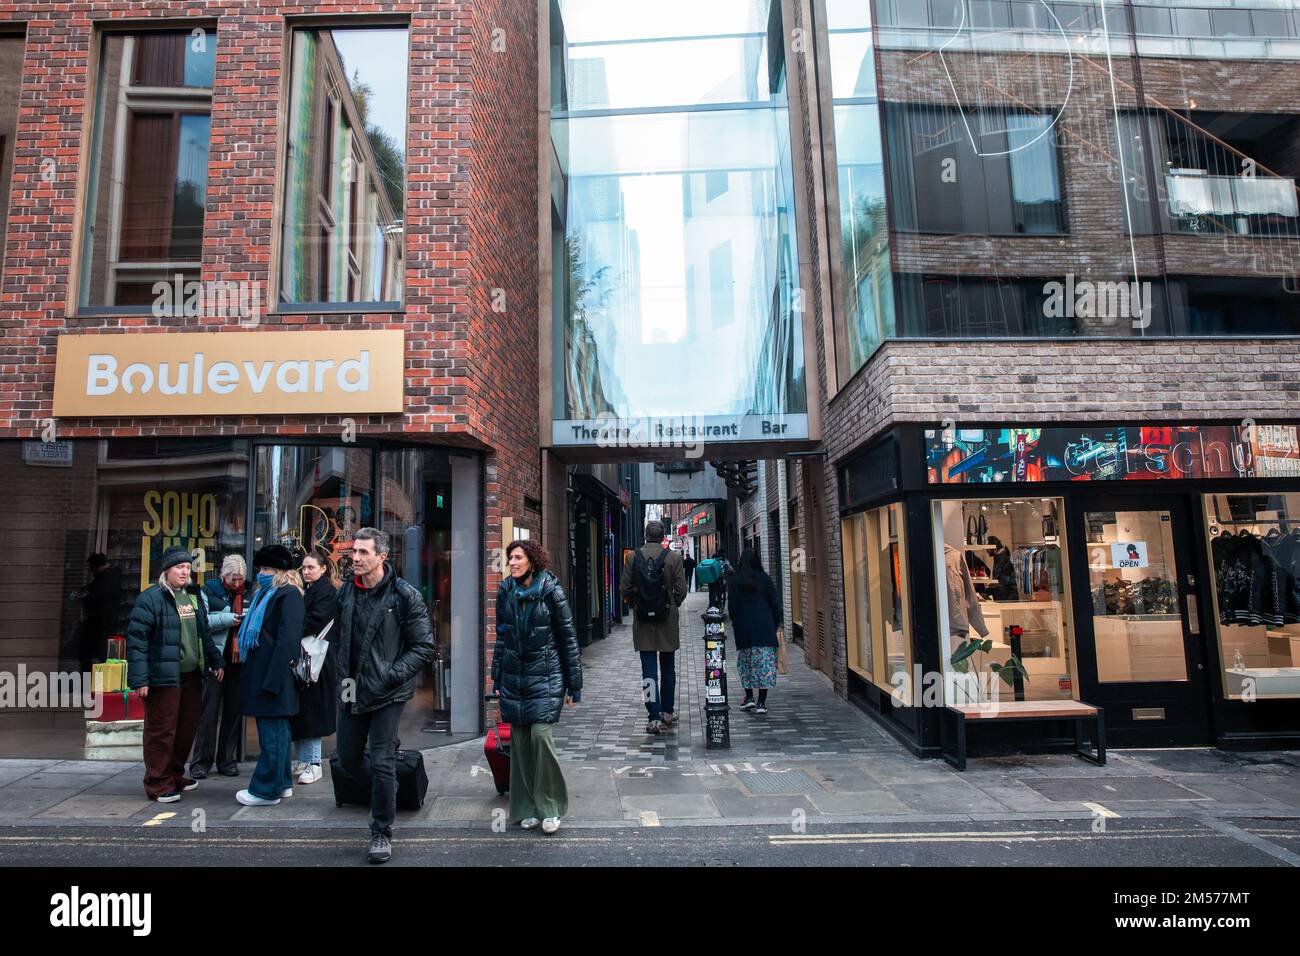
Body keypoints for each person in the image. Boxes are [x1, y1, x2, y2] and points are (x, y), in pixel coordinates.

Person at [336, 528, 437, 864]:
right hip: (352, 687)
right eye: (354, 552)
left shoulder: (403, 595)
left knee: (381, 760)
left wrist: (392, 676)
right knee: (348, 758)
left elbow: (424, 647)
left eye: (364, 552)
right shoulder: (348, 590)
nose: (356, 558)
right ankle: (387, 789)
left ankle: (381, 831)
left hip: (388, 690)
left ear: (382, 557)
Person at [492, 539, 582, 835]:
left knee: (540, 737)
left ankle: (551, 807)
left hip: (546, 675)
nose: (512, 563)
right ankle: (527, 807)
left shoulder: (551, 592)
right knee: (520, 743)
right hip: (514, 677)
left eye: (518, 557)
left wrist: (574, 684)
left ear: (532, 560)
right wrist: (496, 677)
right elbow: (502, 638)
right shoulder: (505, 591)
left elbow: (568, 638)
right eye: (510, 559)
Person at [126, 547, 224, 803]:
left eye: (188, 567)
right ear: (166, 570)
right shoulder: (151, 599)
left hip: (192, 676)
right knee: (162, 731)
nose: (185, 571)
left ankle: (175, 774)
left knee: (186, 729)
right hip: (163, 678)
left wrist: (216, 661)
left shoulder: (193, 596)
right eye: (179, 567)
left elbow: (203, 633)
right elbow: (137, 642)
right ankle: (158, 783)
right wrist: (140, 679)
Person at [235, 545, 306, 808]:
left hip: (273, 676)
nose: (261, 573)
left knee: (272, 735)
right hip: (268, 675)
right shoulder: (272, 594)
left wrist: (273, 680)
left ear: (278, 571)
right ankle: (282, 783)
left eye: (266, 569)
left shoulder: (287, 595)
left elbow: (287, 640)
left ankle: (266, 790)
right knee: (278, 733)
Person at [620, 520, 687, 735]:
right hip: (667, 621)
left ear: (645, 535)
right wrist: (671, 605)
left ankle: (653, 716)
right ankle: (667, 711)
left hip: (643, 622)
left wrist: (637, 605)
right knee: (668, 668)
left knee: (648, 672)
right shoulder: (674, 558)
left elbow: (625, 588)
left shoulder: (632, 557)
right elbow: (681, 590)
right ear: (663, 536)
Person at [190, 555, 249, 779]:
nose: (237, 584)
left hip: (239, 661)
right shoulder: (207, 591)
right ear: (223, 576)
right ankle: (201, 762)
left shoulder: (249, 592)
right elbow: (202, 623)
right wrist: (228, 619)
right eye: (233, 579)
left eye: (240, 579)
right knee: (209, 713)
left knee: (233, 713)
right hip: (216, 659)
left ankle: (227, 760)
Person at [291, 547, 341, 785]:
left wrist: (291, 629)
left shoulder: (326, 592)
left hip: (317, 659)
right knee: (305, 709)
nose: (306, 571)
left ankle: (313, 762)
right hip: (314, 657)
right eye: (304, 567)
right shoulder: (311, 590)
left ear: (323, 568)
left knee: (312, 710)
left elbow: (313, 621)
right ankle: (304, 760)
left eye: (311, 567)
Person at [727, 547, 783, 716]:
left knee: (746, 665)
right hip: (764, 629)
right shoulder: (764, 579)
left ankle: (749, 696)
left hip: (745, 630)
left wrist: (736, 624)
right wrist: (776, 623)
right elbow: (774, 602)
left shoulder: (737, 580)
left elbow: (732, 607)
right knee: (764, 666)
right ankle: (761, 702)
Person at [77, 553, 122, 673]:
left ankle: (94, 687)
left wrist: (84, 597)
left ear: (95, 567)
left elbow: (96, 597)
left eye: (91, 568)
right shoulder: (111, 577)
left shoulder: (104, 580)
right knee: (103, 659)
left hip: (100, 626)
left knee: (96, 659)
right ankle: (99, 686)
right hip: (107, 626)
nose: (91, 571)